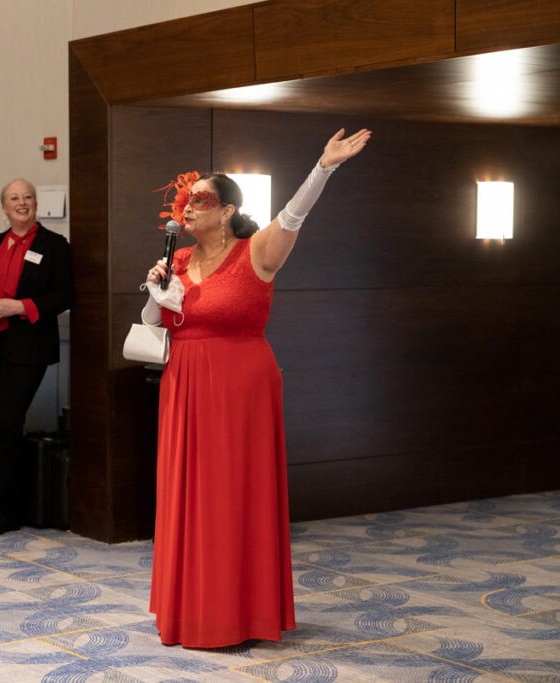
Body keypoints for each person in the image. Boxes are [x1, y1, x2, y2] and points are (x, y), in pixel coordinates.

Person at [143, 128, 372, 647]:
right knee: (188, 496)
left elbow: (294, 213)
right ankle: (188, 610)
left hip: (239, 384)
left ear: (225, 211)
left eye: (199, 199)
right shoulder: (176, 261)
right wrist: (157, 293)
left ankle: (234, 613)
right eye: (186, 200)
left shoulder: (258, 252)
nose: (188, 208)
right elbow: (155, 324)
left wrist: (324, 166)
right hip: (184, 381)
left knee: (230, 495)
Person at [0, 178, 74, 536]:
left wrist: (20, 306)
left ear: (35, 204)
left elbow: (65, 295)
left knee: (7, 424)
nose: (22, 203)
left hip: (28, 348)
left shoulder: (54, 245)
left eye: (28, 197)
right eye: (14, 198)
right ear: (4, 208)